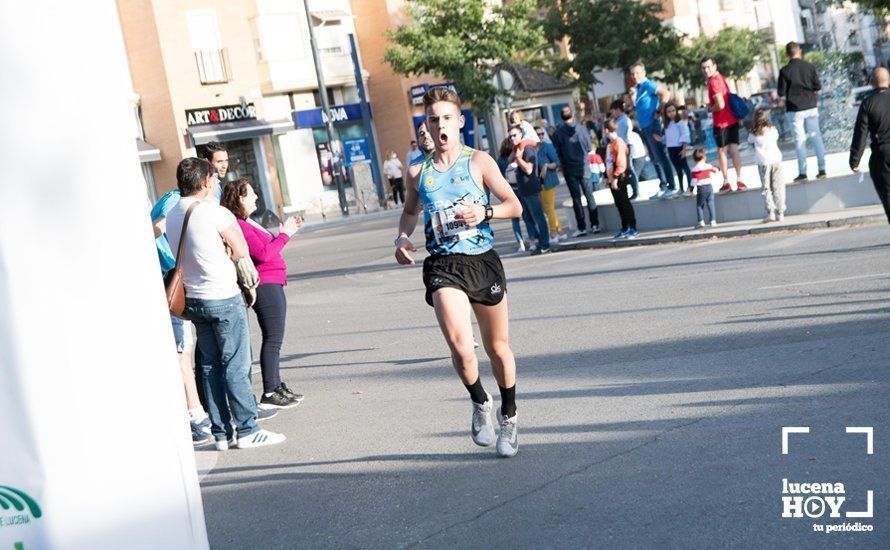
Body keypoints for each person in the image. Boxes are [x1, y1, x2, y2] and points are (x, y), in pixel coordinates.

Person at [394, 86, 523, 458]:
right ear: (427, 126)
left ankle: (509, 415)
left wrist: (484, 213)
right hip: (443, 263)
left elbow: (513, 205)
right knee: (462, 347)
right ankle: (480, 402)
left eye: (447, 117)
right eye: (433, 120)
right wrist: (401, 238)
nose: (440, 125)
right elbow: (410, 212)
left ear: (460, 122)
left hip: (481, 261)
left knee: (498, 349)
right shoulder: (418, 170)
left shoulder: (479, 161)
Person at [167, 158, 285, 451]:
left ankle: (220, 432)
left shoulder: (172, 214)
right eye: (214, 179)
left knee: (208, 366)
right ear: (205, 182)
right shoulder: (215, 213)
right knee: (235, 363)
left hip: (194, 299)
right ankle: (246, 428)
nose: (216, 183)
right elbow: (242, 249)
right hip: (222, 295)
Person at [220, 178, 304, 409]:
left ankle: (275, 385)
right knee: (273, 338)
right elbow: (264, 255)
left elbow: (267, 248)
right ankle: (270, 390)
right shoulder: (240, 225)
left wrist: (282, 233)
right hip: (265, 284)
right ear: (239, 198)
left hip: (273, 281)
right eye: (250, 193)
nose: (256, 196)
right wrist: (285, 234)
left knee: (275, 337)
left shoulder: (248, 222)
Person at [150, 188, 211, 445]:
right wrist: (175, 262)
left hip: (170, 281)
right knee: (181, 353)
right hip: (170, 283)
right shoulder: (175, 201)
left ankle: (196, 413)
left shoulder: (170, 199)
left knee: (183, 352)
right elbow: (156, 228)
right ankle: (195, 415)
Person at [778, 41, 826, 181]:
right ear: (799, 51)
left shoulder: (784, 71)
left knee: (799, 141)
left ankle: (803, 172)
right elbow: (817, 86)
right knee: (816, 137)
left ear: (787, 54)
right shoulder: (809, 67)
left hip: (794, 109)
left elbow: (781, 92)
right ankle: (822, 169)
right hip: (811, 106)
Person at [701, 57, 747, 193]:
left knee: (722, 152)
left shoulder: (713, 82)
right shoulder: (720, 77)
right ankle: (740, 180)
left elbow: (720, 104)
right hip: (732, 119)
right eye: (703, 68)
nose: (706, 70)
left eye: (708, 67)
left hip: (721, 122)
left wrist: (709, 108)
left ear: (714, 66)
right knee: (735, 150)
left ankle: (726, 181)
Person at [630, 63, 677, 198]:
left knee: (660, 157)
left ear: (644, 73)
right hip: (645, 128)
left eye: (637, 73)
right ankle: (663, 185)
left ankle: (671, 185)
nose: (635, 76)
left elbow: (665, 93)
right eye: (633, 74)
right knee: (654, 159)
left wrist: (659, 111)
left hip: (652, 126)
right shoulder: (638, 89)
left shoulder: (647, 85)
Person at [850, 67, 890, 224]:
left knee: (887, 194)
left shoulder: (868, 103)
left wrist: (854, 160)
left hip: (882, 154)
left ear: (871, 83)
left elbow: (861, 133)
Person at [552, 106, 599, 236]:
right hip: (584, 166)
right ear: (572, 115)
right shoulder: (582, 129)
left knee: (576, 199)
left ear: (561, 117)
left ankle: (582, 227)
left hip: (569, 169)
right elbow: (589, 147)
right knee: (590, 196)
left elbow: (557, 152)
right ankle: (595, 225)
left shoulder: (558, 133)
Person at [508, 125, 551, 254]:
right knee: (529, 219)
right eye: (510, 136)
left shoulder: (527, 149)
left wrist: (519, 159)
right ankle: (538, 243)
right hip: (523, 190)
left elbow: (528, 169)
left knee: (538, 217)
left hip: (531, 188)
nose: (512, 138)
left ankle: (545, 244)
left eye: (514, 135)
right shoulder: (518, 149)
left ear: (521, 134)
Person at [748, 109, 786, 222]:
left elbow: (749, 140)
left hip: (763, 162)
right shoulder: (772, 129)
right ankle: (780, 213)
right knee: (778, 186)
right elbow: (776, 137)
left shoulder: (754, 132)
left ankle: (771, 213)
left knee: (766, 188)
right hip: (776, 160)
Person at [603, 119, 637, 240]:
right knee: (619, 204)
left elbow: (621, 163)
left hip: (620, 178)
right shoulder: (611, 144)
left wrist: (615, 177)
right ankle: (625, 227)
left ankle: (633, 227)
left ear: (607, 130)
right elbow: (609, 163)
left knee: (625, 203)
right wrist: (608, 178)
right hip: (613, 178)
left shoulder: (618, 143)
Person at [497, 138, 531, 253]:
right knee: (526, 216)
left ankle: (520, 243)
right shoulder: (515, 157)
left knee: (515, 220)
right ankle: (531, 239)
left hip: (509, 191)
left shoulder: (500, 160)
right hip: (520, 188)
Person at [536, 125, 567, 242]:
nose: (540, 136)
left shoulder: (547, 146)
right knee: (547, 209)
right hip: (540, 183)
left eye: (542, 134)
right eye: (538, 134)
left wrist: (546, 166)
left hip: (549, 181)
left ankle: (553, 233)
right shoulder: (533, 148)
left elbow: (557, 162)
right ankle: (561, 232)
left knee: (549, 208)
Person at [610, 100, 640, 200]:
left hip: (625, 146)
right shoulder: (620, 120)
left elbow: (621, 136)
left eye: (613, 111)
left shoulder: (623, 121)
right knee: (627, 169)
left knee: (629, 168)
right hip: (624, 145)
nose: (613, 113)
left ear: (618, 110)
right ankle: (634, 190)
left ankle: (636, 191)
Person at [663, 102, 692, 194]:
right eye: (669, 112)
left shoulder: (680, 123)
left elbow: (684, 135)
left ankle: (690, 187)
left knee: (685, 168)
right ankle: (681, 188)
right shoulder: (667, 125)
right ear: (666, 113)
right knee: (678, 170)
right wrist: (661, 139)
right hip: (671, 149)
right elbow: (668, 138)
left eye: (673, 111)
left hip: (679, 148)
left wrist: (684, 149)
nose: (671, 113)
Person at [690, 149, 718, 228]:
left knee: (699, 205)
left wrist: (691, 190)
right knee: (711, 204)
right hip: (709, 187)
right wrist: (717, 168)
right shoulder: (708, 166)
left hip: (701, 189)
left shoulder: (694, 169)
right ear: (704, 157)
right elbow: (715, 170)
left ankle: (701, 221)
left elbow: (693, 181)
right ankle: (713, 220)